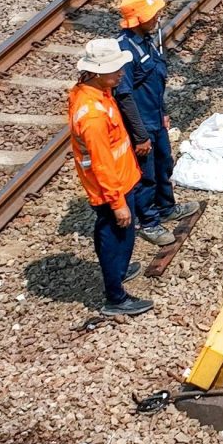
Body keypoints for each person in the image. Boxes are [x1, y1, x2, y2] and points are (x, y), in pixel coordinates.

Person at [67, 38, 150, 318]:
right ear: (97, 72)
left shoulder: (96, 93)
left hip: (122, 179)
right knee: (116, 238)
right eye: (115, 69)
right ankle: (115, 297)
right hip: (112, 188)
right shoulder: (92, 116)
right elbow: (102, 162)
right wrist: (117, 203)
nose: (122, 73)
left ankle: (120, 271)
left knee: (118, 237)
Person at [116, 0, 201, 237]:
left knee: (164, 164)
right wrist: (140, 135)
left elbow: (155, 82)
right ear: (139, 20)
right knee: (146, 176)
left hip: (155, 119)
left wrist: (162, 112)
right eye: (153, 15)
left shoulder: (145, 42)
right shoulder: (125, 51)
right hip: (141, 125)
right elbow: (125, 96)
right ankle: (149, 222)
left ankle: (166, 207)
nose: (157, 18)